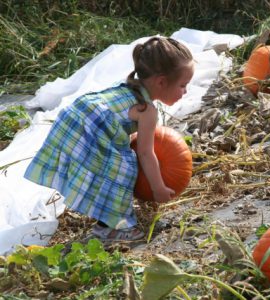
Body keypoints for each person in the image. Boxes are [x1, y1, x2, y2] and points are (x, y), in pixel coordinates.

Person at [24, 36, 194, 241]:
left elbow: (117, 122)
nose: (185, 92)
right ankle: (113, 227)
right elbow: (146, 153)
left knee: (107, 167)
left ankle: (102, 215)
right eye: (183, 85)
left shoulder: (130, 87)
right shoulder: (147, 110)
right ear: (161, 82)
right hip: (89, 125)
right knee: (124, 168)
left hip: (75, 117)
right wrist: (158, 188)